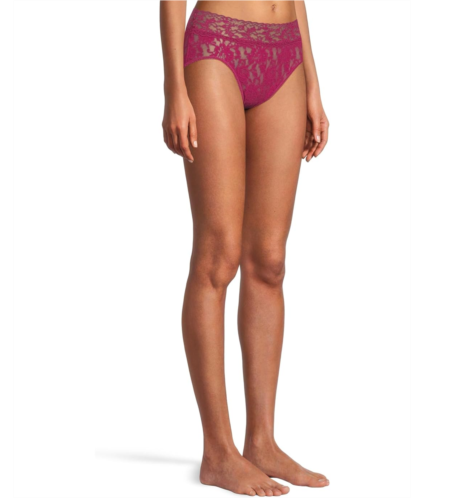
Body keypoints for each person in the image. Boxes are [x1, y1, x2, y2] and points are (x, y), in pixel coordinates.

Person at [160, 1, 330, 495]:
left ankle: (262, 442)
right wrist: (173, 88)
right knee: (218, 257)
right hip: (217, 47)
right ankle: (218, 452)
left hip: (286, 53)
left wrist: (313, 83)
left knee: (269, 262)